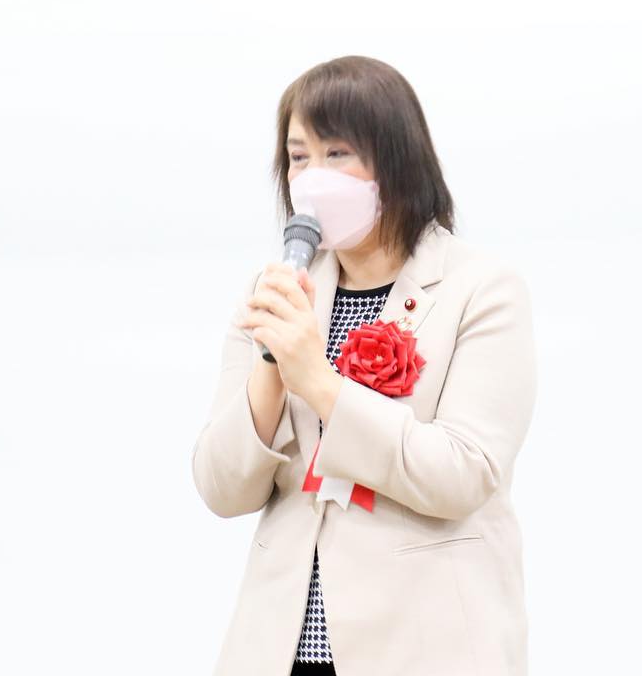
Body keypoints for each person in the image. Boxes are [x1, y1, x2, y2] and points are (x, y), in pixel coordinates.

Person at [191, 55, 537, 676]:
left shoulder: (482, 290)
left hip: (423, 649)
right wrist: (271, 363)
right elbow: (222, 488)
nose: (313, 179)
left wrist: (319, 382)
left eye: (338, 154)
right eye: (299, 158)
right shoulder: (277, 295)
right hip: (280, 651)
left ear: (396, 160)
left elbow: (463, 475)